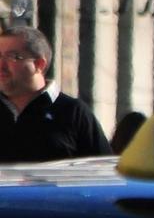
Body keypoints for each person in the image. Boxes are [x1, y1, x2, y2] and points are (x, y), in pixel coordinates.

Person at [0, 26, 112, 163]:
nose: (2, 65)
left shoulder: (73, 112)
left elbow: (103, 171)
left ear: (39, 64)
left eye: (13, 57)